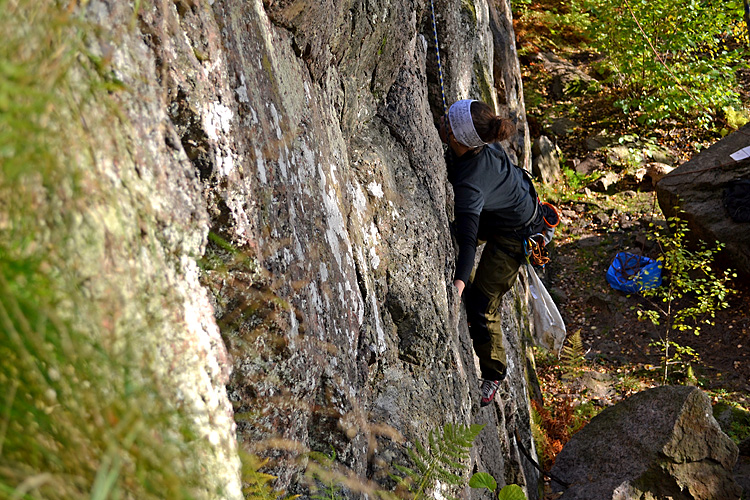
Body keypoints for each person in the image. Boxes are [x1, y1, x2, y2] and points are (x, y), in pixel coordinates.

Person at [438, 99, 557, 407]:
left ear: (458, 140)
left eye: (447, 122)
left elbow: (468, 241)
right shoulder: (482, 141)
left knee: (482, 302)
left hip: (517, 235)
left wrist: (458, 286)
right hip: (504, 210)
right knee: (457, 236)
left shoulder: (471, 185)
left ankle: (494, 373)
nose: (442, 119)